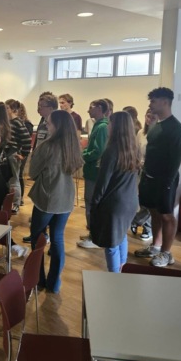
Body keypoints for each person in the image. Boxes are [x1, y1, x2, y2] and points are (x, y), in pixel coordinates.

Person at [28, 110, 84, 293]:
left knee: (37, 239)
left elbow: (32, 172)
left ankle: (39, 279)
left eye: (49, 123)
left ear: (58, 126)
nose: (46, 125)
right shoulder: (73, 146)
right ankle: (54, 283)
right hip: (66, 197)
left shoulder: (47, 146)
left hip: (47, 197)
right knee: (57, 239)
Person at [134, 87, 181, 267]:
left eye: (153, 101)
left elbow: (175, 160)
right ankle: (156, 247)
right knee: (154, 212)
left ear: (165, 102)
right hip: (149, 177)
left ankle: (166, 253)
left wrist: (167, 183)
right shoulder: (156, 125)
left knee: (166, 216)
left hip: (165, 180)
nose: (150, 105)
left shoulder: (176, 129)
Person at [90, 111, 140, 272]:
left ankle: (114, 276)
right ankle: (122, 269)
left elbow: (102, 183)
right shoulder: (133, 148)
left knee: (111, 243)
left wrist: (94, 204)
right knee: (122, 236)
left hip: (115, 204)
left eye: (110, 123)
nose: (108, 126)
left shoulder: (111, 151)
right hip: (130, 201)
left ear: (116, 127)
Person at [22, 93, 58, 244]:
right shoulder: (43, 121)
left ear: (51, 107)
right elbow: (38, 141)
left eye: (41, 106)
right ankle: (40, 233)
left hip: (48, 169)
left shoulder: (55, 123)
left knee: (45, 205)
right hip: (39, 165)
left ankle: (43, 235)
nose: (38, 109)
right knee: (38, 202)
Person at [77, 99, 109, 249]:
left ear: (100, 108)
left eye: (91, 107)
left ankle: (94, 236)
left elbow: (98, 151)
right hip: (91, 171)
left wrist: (83, 155)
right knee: (90, 203)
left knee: (92, 203)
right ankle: (92, 232)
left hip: (95, 172)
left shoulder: (102, 127)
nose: (88, 110)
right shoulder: (98, 125)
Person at [130, 109, 155, 241]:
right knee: (142, 201)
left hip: (152, 171)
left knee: (150, 203)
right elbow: (136, 151)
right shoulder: (141, 133)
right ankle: (142, 224)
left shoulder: (159, 133)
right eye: (147, 116)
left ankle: (141, 224)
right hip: (140, 170)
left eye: (152, 117)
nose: (149, 119)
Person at [5, 99, 32, 212]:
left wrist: (23, 154)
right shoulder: (8, 122)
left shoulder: (17, 122)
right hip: (7, 153)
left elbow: (27, 139)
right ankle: (8, 203)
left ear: (13, 109)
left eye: (7, 108)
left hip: (13, 153)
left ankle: (16, 204)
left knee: (14, 180)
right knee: (9, 180)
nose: (5, 110)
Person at [17, 101, 34, 202]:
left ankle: (20, 198)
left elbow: (27, 139)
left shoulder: (27, 123)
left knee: (19, 174)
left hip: (22, 152)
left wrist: (22, 154)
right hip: (16, 152)